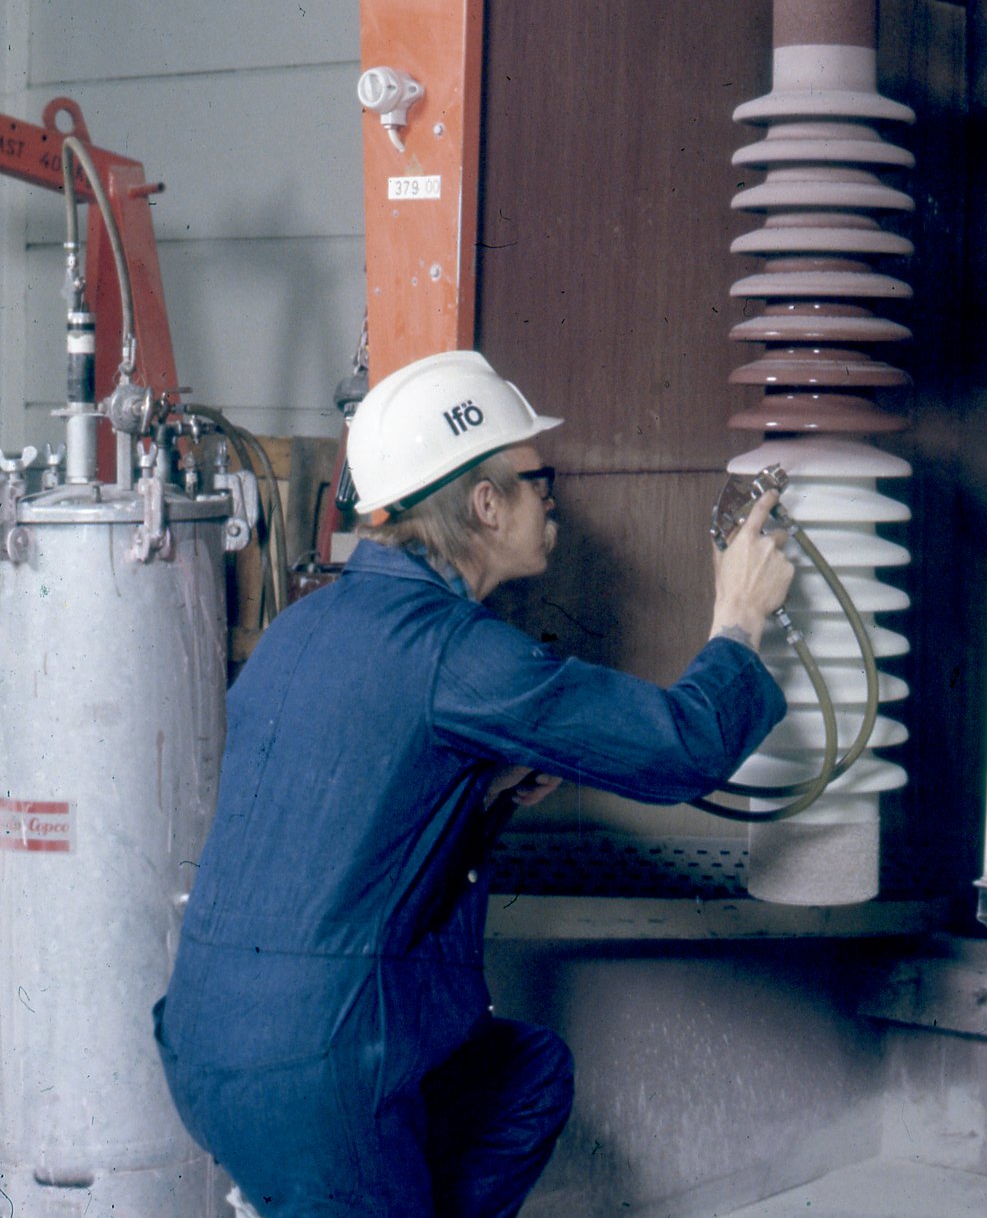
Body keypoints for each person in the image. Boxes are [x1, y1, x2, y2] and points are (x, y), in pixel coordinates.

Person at [153, 349, 792, 1217]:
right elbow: (681, 747)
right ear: (486, 504)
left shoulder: (305, 623)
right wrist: (739, 619)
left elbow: (345, 810)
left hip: (205, 1048)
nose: (553, 498)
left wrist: (480, 788)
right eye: (538, 478)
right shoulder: (455, 650)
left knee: (525, 1078)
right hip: (319, 1076)